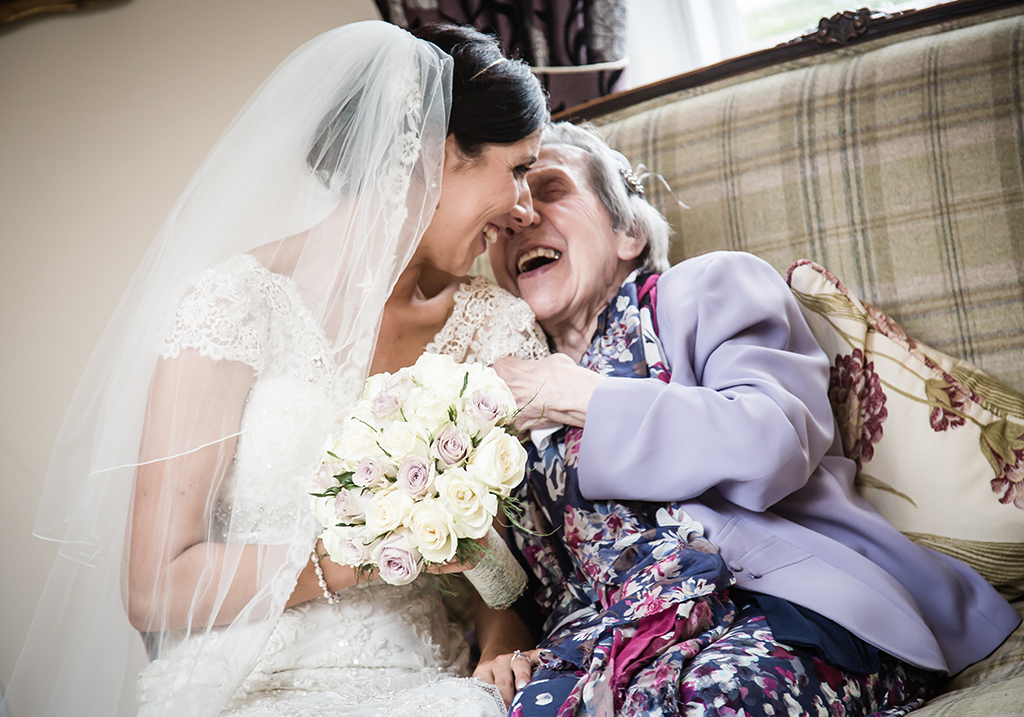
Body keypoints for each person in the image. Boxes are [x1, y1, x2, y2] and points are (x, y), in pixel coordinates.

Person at [4, 21, 551, 717]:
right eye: (520, 169)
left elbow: (503, 570)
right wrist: (361, 549)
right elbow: (153, 586)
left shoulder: (499, 328)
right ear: (438, 155)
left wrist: (501, 650)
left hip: (423, 680)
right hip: (243, 683)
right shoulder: (235, 301)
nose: (526, 210)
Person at [476, 121, 1022, 716]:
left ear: (627, 229)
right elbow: (532, 578)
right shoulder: (503, 391)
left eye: (551, 189)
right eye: (505, 215)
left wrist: (583, 396)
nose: (521, 217)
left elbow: (772, 445)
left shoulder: (705, 289)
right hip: (612, 639)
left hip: (774, 604)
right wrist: (508, 641)